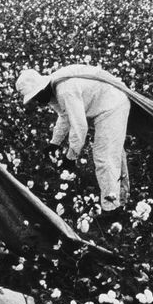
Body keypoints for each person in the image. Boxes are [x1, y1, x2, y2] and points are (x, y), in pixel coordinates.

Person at [15, 64, 131, 212]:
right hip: (106, 103)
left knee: (105, 156)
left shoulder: (65, 90)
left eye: (36, 96)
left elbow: (79, 126)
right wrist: (54, 143)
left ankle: (112, 207)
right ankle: (122, 196)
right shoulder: (53, 89)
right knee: (113, 153)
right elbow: (65, 116)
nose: (37, 101)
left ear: (42, 88)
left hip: (111, 106)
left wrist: (71, 156)